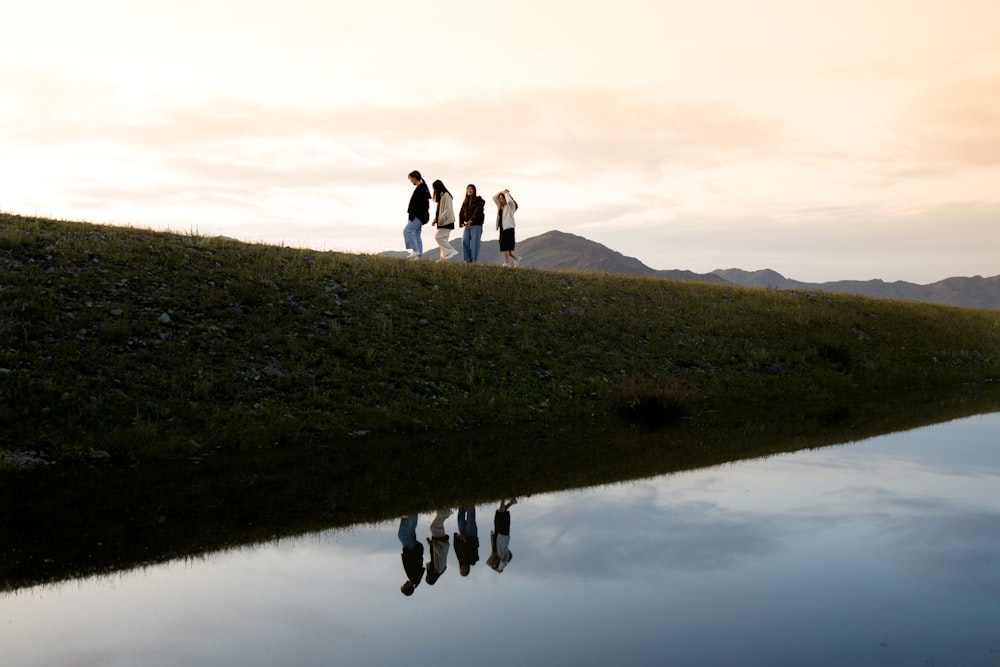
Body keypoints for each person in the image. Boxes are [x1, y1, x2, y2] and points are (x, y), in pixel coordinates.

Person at [404, 171, 431, 259]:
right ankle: (419, 256)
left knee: (407, 231)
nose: (410, 181)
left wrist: (412, 216)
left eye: (411, 179)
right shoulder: (422, 188)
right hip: (421, 216)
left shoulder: (421, 189)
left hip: (418, 216)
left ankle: (415, 251)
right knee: (417, 235)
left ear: (414, 178)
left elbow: (417, 205)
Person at [398, 514, 425, 596]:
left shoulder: (415, 579)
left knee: (411, 532)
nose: (403, 584)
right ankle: (407, 516)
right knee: (402, 536)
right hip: (413, 550)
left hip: (416, 549)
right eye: (404, 586)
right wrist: (405, 551)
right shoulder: (413, 577)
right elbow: (410, 561)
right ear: (408, 587)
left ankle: (414, 515)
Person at [487, 498, 517, 573]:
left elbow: (488, 563)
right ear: (499, 564)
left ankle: (512, 502)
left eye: (493, 563)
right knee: (501, 513)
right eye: (495, 564)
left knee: (499, 514)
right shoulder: (504, 556)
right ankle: (503, 498)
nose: (493, 562)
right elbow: (504, 563)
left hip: (498, 534)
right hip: (504, 534)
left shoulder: (494, 554)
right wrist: (499, 569)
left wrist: (494, 567)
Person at [431, 180, 458, 262]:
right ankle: (443, 258)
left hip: (446, 221)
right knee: (443, 239)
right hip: (442, 221)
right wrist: (435, 220)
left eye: (435, 188)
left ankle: (450, 251)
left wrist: (441, 219)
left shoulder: (446, 195)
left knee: (438, 237)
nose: (434, 190)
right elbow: (440, 211)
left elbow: (447, 209)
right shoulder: (442, 196)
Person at [493, 189, 520, 267]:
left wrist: (506, 193)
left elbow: (510, 201)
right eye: (500, 199)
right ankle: (516, 258)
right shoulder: (500, 207)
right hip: (502, 228)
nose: (500, 200)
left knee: (505, 247)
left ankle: (507, 263)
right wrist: (501, 192)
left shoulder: (511, 207)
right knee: (505, 248)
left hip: (509, 228)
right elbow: (494, 198)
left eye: (502, 198)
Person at [459, 184, 486, 262]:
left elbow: (478, 212)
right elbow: (461, 212)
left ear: (474, 190)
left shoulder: (479, 201)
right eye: (468, 189)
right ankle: (467, 259)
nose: (469, 190)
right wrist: (461, 222)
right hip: (467, 225)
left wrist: (472, 221)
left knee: (475, 243)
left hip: (476, 225)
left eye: (471, 189)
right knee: (464, 240)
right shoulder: (465, 202)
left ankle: (474, 260)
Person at [425, 509, 452, 585]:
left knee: (438, 525)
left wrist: (430, 544)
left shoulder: (436, 569)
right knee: (433, 528)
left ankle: (441, 510)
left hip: (440, 543)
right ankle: (447, 513)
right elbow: (441, 554)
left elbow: (433, 554)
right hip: (441, 544)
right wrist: (433, 544)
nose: (427, 574)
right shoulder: (439, 569)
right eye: (428, 576)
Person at [453, 506, 480, 576]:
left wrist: (457, 536)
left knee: (460, 517)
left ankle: (462, 501)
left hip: (462, 533)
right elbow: (475, 546)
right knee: (470, 515)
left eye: (461, 570)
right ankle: (470, 500)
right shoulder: (473, 560)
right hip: (471, 535)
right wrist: (466, 541)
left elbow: (455, 546)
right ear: (468, 570)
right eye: (464, 570)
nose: (463, 569)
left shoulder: (459, 558)